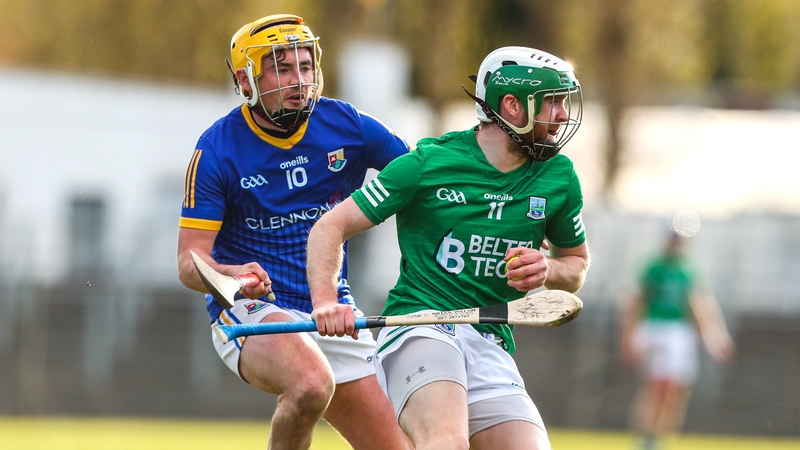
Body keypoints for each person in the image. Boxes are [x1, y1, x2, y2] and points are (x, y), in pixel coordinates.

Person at [306, 46, 591, 450]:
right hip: (419, 325)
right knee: (447, 443)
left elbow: (575, 265)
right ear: (511, 105)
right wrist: (324, 301)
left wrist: (549, 269)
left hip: (490, 338)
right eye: (552, 102)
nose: (562, 115)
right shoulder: (428, 163)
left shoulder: (559, 177)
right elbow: (330, 226)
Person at [176, 14, 413, 450]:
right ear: (247, 81)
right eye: (282, 69)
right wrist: (230, 277)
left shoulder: (350, 127)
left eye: (305, 67)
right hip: (254, 313)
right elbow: (190, 263)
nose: (299, 80)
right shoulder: (216, 150)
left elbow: (422, 181)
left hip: (332, 312)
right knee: (309, 382)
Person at [620, 230, 735, 450]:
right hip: (656, 328)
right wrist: (629, 338)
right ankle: (645, 438)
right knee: (658, 386)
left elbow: (699, 306)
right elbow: (635, 302)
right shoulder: (653, 267)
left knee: (675, 391)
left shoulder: (688, 270)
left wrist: (714, 338)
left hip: (680, 334)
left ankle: (661, 437)